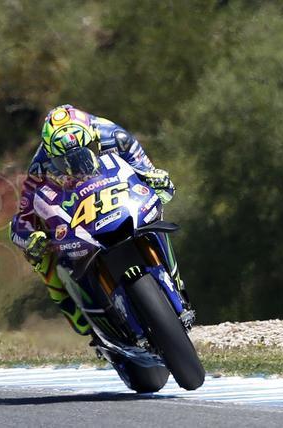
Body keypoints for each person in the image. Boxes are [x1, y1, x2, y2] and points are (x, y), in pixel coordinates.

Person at [10, 104, 183, 336]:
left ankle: (174, 276)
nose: (77, 164)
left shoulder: (116, 137)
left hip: (119, 200)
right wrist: (30, 237)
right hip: (76, 213)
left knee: (154, 206)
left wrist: (160, 182)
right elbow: (21, 222)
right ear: (51, 155)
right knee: (38, 254)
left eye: (86, 150)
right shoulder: (39, 167)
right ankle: (72, 308)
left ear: (94, 139)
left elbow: (150, 177)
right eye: (64, 161)